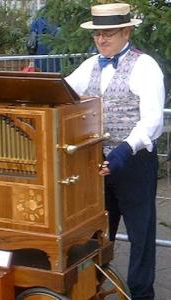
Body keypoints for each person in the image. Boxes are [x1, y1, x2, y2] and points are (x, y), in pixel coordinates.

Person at [65, 3, 165, 300]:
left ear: (126, 32)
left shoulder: (145, 66)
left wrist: (124, 150)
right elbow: (64, 90)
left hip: (134, 161)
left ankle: (141, 294)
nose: (101, 40)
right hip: (96, 163)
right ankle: (92, 288)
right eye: (97, 34)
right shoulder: (91, 65)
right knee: (95, 232)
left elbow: (152, 120)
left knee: (140, 234)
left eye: (108, 33)